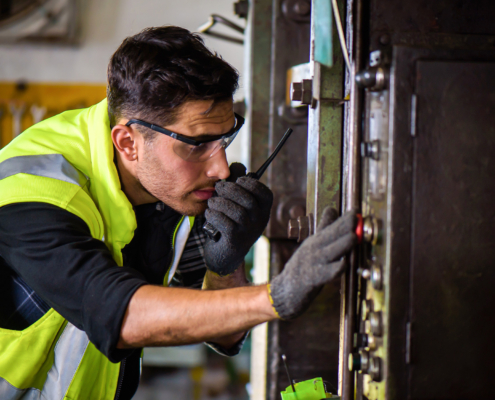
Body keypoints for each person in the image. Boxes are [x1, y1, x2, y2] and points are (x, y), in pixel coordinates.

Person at [0, 26, 357, 399]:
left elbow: (224, 331)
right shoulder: (31, 193)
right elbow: (121, 316)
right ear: (128, 142)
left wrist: (226, 262)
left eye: (224, 139)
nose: (221, 168)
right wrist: (276, 296)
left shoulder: (167, 186)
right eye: (198, 144)